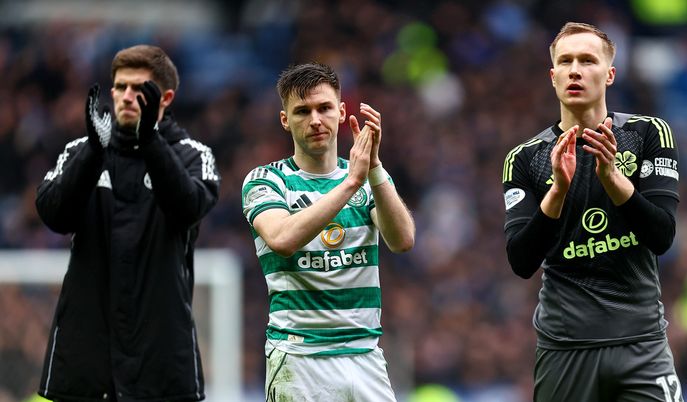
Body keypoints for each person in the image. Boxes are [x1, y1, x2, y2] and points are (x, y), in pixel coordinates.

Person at [502, 22, 683, 402]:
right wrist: (558, 190)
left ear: (610, 74)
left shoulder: (648, 134)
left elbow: (662, 236)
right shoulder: (525, 158)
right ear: (553, 77)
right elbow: (521, 261)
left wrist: (611, 177)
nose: (575, 70)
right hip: (565, 349)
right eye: (565, 62)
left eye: (587, 60)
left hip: (642, 343)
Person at [35, 44, 220, 401]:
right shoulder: (81, 150)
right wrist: (93, 150)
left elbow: (189, 207)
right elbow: (53, 215)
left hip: (162, 356)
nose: (126, 96)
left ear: (165, 97)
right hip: (85, 354)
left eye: (140, 89)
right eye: (120, 87)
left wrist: (149, 140)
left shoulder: (192, 155)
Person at [241, 62, 415, 402]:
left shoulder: (368, 177)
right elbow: (281, 239)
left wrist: (374, 168)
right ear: (285, 120)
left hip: (365, 355)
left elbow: (403, 240)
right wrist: (352, 182)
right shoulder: (266, 180)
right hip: (300, 358)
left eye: (324, 108)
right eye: (302, 111)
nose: (315, 120)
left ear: (341, 111)